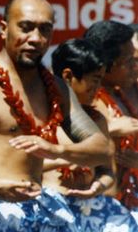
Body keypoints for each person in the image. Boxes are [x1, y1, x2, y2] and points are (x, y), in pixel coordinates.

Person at [0, 0, 112, 231]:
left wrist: (55, 149)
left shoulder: (56, 88)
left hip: (40, 208)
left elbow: (102, 148)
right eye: (26, 28)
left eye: (45, 30)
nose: (36, 39)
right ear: (3, 28)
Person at [49, 38, 137, 230]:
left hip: (95, 208)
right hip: (51, 207)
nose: (98, 90)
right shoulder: (41, 115)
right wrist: (65, 157)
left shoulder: (97, 119)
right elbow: (22, 164)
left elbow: (107, 173)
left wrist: (98, 186)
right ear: (67, 77)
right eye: (95, 80)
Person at [85, 20, 138, 214]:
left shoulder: (120, 96)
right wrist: (109, 128)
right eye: (130, 61)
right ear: (107, 66)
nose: (135, 66)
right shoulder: (85, 98)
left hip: (128, 205)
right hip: (100, 209)